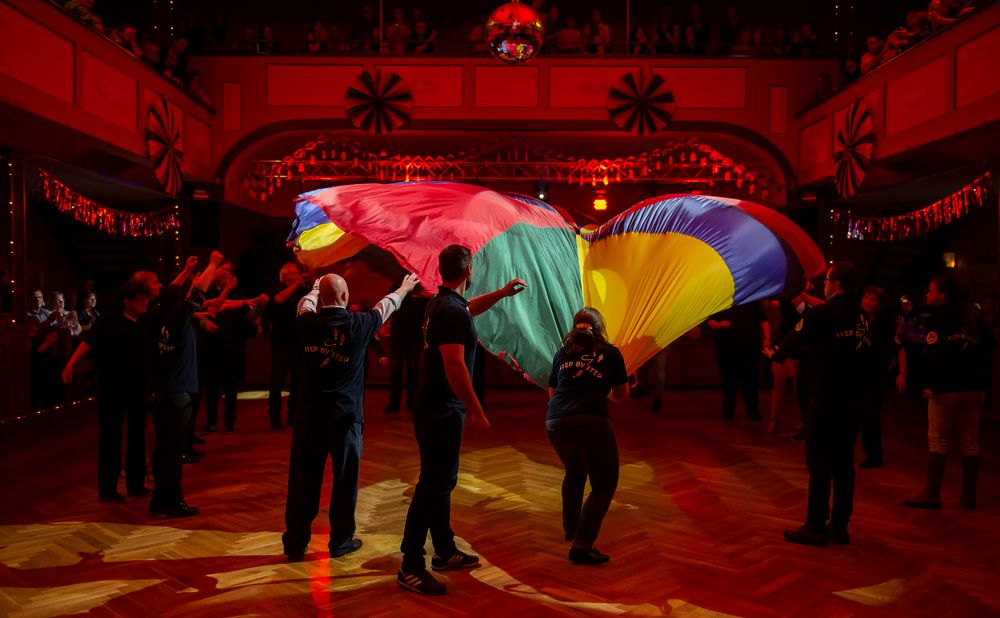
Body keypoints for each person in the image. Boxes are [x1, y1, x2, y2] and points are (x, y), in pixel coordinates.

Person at [398, 245, 526, 595]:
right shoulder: (449, 310)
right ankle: (410, 564)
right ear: (468, 269)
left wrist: (500, 294)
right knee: (433, 484)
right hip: (442, 408)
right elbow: (454, 364)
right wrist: (477, 410)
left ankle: (443, 550)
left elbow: (469, 309)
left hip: (434, 405)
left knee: (441, 480)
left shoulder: (442, 303)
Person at [281, 272, 419, 561]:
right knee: (345, 481)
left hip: (309, 418)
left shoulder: (307, 322)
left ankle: (295, 544)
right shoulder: (359, 324)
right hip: (345, 419)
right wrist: (406, 286)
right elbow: (388, 305)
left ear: (322, 299)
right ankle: (340, 542)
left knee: (303, 480)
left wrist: (317, 288)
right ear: (345, 297)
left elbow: (303, 304)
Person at [771, 262, 871, 547]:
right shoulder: (862, 316)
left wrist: (778, 355)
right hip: (855, 400)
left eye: (827, 280)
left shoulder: (824, 313)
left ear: (836, 283)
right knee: (843, 464)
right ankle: (839, 526)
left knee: (819, 464)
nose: (824, 285)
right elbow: (840, 349)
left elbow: (794, 338)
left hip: (828, 398)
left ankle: (815, 525)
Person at [903, 275, 994, 510]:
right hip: (976, 387)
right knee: (970, 438)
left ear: (942, 295)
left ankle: (932, 494)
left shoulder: (938, 318)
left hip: (947, 388)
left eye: (931, 291)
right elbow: (991, 343)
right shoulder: (973, 316)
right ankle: (969, 495)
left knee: (937, 438)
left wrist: (933, 385)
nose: (927, 294)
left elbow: (937, 357)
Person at [547, 308, 629, 565]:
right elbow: (620, 395)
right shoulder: (611, 353)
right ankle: (582, 546)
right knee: (604, 485)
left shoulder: (562, 353)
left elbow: (552, 392)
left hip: (555, 421)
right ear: (600, 327)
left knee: (574, 472)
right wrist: (599, 389)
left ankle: (572, 529)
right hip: (591, 421)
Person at [149, 251, 225, 518]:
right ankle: (172, 501)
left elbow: (181, 293)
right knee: (173, 452)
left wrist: (187, 271)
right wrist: (213, 264)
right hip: (177, 392)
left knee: (163, 450)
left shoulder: (157, 317)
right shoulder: (179, 318)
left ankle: (159, 500)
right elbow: (197, 293)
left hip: (161, 391)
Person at [61, 281, 151, 502]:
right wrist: (70, 364)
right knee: (111, 436)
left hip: (138, 385)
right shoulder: (108, 321)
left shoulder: (145, 321)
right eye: (140, 299)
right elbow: (88, 343)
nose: (145, 302)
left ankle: (136, 484)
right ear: (126, 301)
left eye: (145, 298)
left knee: (138, 433)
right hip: (113, 386)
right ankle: (108, 489)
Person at [858, 286, 907, 469]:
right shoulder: (858, 319)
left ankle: (874, 456)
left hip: (875, 375)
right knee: (862, 414)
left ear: (878, 305)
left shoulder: (883, 325)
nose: (867, 302)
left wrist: (902, 374)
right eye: (866, 297)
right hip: (860, 374)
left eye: (872, 300)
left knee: (870, 415)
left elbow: (899, 347)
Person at [266, 262, 311, 429]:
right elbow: (278, 300)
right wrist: (297, 284)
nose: (297, 275)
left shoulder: (302, 291)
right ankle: (275, 417)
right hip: (281, 344)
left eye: (298, 273)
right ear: (284, 276)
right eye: (293, 274)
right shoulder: (277, 290)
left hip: (299, 343)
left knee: (298, 382)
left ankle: (294, 415)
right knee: (277, 382)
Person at [706, 302, 770, 421]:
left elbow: (763, 319)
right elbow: (708, 320)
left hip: (750, 345)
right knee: (729, 379)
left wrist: (767, 339)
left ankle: (752, 410)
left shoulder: (751, 299)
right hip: (726, 346)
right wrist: (717, 325)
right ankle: (728, 410)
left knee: (751, 379)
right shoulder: (720, 299)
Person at [384, 285, 431, 413]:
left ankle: (411, 402)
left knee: (413, 371)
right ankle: (394, 403)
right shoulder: (397, 286)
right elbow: (390, 302)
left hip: (414, 337)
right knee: (395, 371)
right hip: (397, 336)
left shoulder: (422, 288)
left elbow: (429, 307)